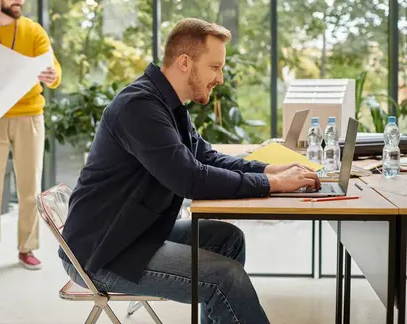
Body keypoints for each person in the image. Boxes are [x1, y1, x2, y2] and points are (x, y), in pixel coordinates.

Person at [58, 18, 320, 323]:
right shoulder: (139, 107)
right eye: (215, 67)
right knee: (225, 278)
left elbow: (205, 156)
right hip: (104, 252)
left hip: (135, 232)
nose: (220, 78)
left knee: (228, 239)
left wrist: (269, 168)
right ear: (185, 62)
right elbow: (190, 179)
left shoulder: (168, 104)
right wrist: (271, 183)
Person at [0, 0, 62, 275]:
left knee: (29, 187)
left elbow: (53, 69)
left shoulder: (34, 31)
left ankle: (27, 248)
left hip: (30, 116)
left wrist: (52, 75)